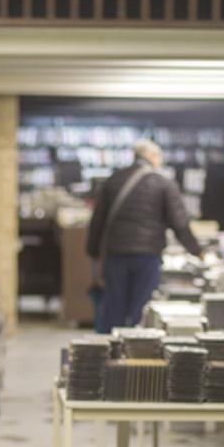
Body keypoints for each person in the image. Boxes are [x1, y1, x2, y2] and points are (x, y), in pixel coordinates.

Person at [86, 140, 204, 330]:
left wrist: (93, 252)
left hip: (116, 254)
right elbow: (180, 223)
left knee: (114, 307)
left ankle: (111, 352)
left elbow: (97, 221)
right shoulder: (164, 183)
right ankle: (136, 353)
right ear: (153, 157)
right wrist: (198, 251)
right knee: (141, 310)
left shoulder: (114, 180)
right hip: (148, 255)